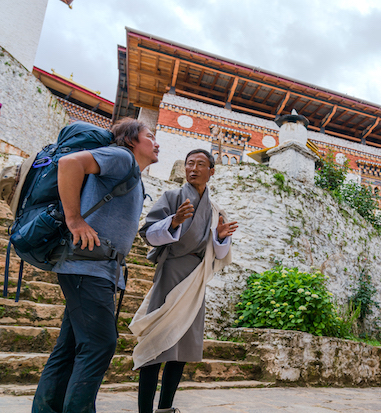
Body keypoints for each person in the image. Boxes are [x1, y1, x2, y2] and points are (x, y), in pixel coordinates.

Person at [32, 118, 159, 413]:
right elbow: (69, 163)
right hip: (87, 268)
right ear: (131, 140)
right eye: (150, 136)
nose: (157, 143)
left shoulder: (130, 170)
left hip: (94, 268)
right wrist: (74, 219)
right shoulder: (121, 157)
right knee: (100, 343)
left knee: (69, 347)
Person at [130, 149, 237, 413]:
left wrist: (221, 237)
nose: (193, 169)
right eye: (190, 163)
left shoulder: (215, 210)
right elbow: (149, 234)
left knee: (181, 348)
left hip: (196, 278)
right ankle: (144, 410)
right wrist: (174, 221)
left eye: (200, 164)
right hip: (171, 271)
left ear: (211, 171)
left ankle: (165, 408)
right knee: (156, 340)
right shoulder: (172, 197)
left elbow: (219, 254)